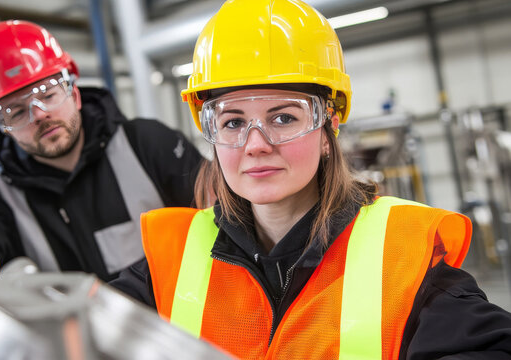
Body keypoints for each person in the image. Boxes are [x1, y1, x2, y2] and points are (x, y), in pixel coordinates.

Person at [110, 0, 511, 358]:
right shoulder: (171, 263)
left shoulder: (403, 255)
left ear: (328, 127)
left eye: (283, 118)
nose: (255, 145)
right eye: (232, 122)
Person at [0, 20, 203, 282]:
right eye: (16, 111)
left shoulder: (147, 143)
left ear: (74, 94)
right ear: (3, 127)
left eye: (48, 95)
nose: (39, 115)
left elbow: (222, 209)